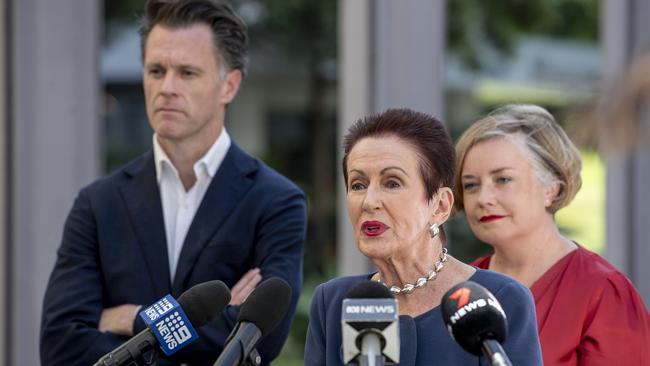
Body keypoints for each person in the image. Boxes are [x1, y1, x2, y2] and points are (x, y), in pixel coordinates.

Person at [40, 1, 307, 365]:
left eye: (187, 72)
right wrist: (207, 326)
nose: (166, 87)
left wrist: (133, 319)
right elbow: (60, 345)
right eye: (156, 70)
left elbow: (262, 339)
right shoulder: (97, 204)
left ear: (229, 85)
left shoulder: (277, 201)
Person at [304, 108, 543, 365]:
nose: (369, 201)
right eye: (358, 185)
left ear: (440, 206)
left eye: (392, 183)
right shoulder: (332, 302)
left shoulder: (501, 299)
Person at [454, 104, 650, 365]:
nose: (483, 198)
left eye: (502, 180)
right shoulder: (463, 291)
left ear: (552, 189)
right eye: (471, 185)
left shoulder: (603, 291)